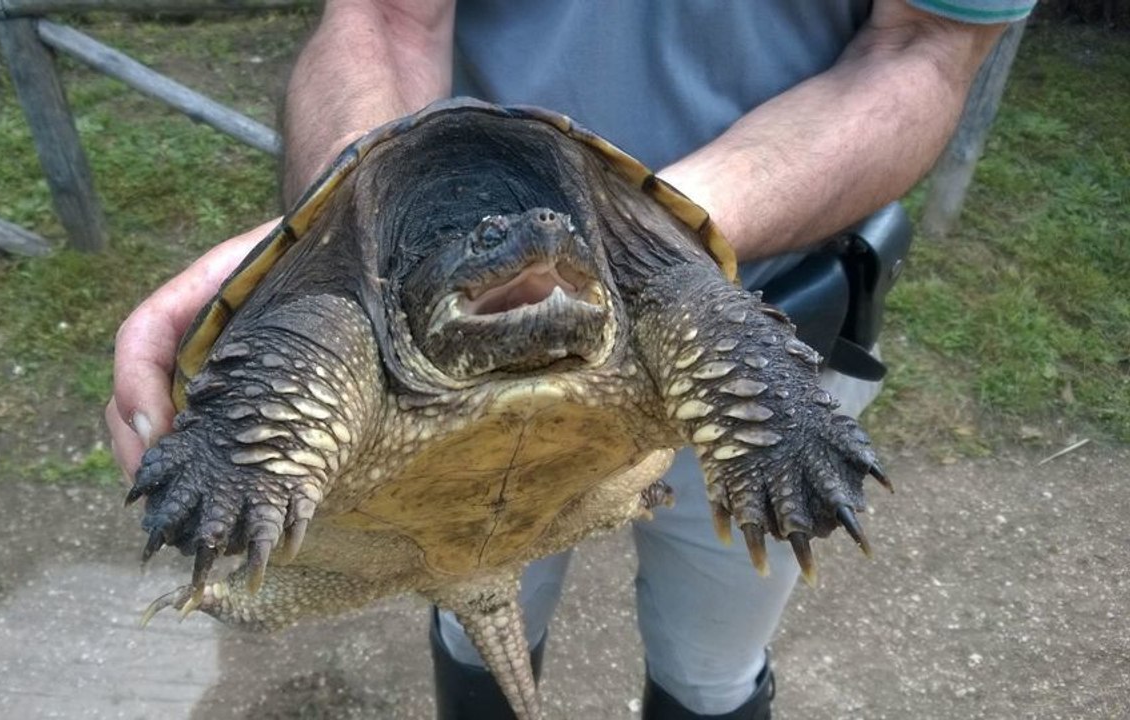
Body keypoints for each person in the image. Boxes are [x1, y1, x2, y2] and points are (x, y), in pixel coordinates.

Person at [106, 1, 1033, 717]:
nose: (545, 246)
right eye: (513, 254)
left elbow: (923, 42)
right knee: (472, 607)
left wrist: (648, 233)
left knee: (713, 663)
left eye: (550, 249)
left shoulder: (681, 311)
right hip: (415, 278)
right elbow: (383, 15)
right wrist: (240, 446)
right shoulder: (348, 337)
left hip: (753, 320)